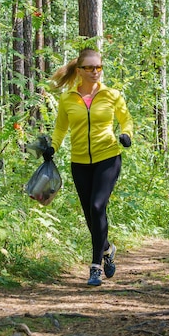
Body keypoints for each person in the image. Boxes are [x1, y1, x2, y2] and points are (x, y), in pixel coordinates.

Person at [44, 48, 133, 286]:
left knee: (97, 206)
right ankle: (106, 249)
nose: (96, 72)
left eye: (99, 67)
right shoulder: (67, 98)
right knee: (89, 215)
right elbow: (61, 128)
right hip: (80, 162)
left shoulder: (112, 95)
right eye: (90, 68)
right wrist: (53, 147)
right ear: (80, 71)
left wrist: (126, 134)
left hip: (108, 158)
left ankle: (95, 267)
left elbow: (126, 120)